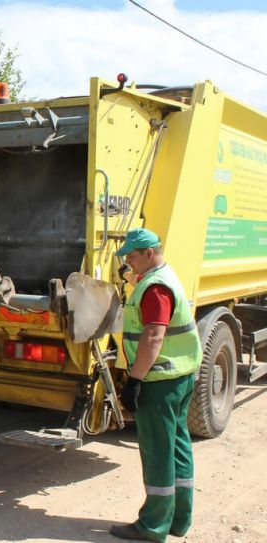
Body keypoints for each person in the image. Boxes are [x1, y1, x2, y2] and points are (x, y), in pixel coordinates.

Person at [110, 228, 202, 542]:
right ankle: (178, 520)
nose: (128, 263)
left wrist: (134, 380)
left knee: (158, 452)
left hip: (159, 381)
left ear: (150, 253)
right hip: (180, 376)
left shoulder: (155, 288)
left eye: (132, 257)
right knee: (178, 447)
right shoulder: (165, 277)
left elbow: (153, 336)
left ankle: (152, 526)